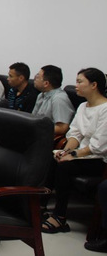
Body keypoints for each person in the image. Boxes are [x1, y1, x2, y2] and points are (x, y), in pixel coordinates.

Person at [42, 68, 107, 234]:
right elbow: (74, 134)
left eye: (79, 81)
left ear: (94, 85)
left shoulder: (105, 109)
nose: (75, 85)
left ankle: (60, 217)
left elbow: (98, 146)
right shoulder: (83, 106)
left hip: (99, 159)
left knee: (65, 166)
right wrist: (65, 152)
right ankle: (40, 206)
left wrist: (73, 155)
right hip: (82, 155)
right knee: (53, 158)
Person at [32, 65, 75, 136]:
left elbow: (62, 128)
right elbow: (33, 118)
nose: (34, 79)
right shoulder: (41, 95)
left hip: (48, 136)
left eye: (38, 76)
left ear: (46, 83)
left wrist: (37, 129)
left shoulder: (59, 99)